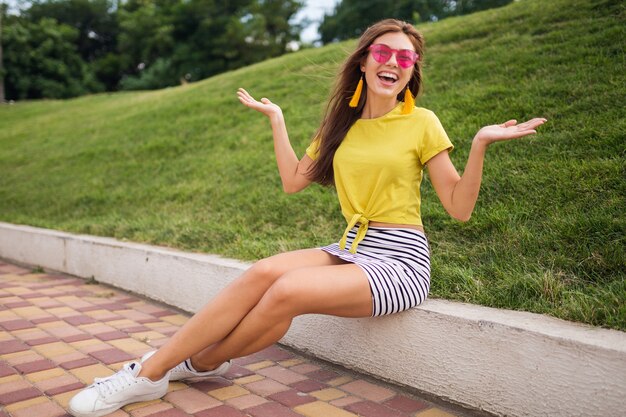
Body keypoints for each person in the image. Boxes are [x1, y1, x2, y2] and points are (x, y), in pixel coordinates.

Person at [68, 18, 546, 417]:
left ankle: (166, 369)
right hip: (352, 247)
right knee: (263, 271)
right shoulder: (341, 125)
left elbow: (459, 209)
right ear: (364, 59)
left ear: (412, 71)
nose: (394, 64)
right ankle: (163, 369)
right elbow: (295, 181)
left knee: (287, 290)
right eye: (384, 53)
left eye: (406, 59)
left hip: (400, 261)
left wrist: (480, 144)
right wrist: (278, 121)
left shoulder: (422, 122)